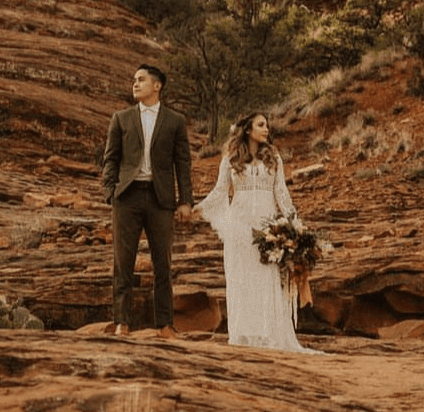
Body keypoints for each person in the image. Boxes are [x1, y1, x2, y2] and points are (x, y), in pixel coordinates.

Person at [196, 112, 320, 352]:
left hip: (267, 230)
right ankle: (244, 335)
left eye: (267, 125)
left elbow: (282, 194)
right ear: (247, 129)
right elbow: (220, 191)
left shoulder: (274, 157)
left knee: (267, 281)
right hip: (239, 229)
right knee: (241, 281)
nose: (266, 129)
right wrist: (197, 208)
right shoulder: (230, 159)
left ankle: (269, 336)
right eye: (261, 125)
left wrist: (296, 226)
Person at [101, 64, 194, 335]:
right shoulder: (121, 118)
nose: (135, 84)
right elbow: (110, 158)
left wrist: (185, 200)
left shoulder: (175, 121)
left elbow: (182, 163)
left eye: (141, 80)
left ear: (157, 85)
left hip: (160, 198)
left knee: (163, 263)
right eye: (134, 80)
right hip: (127, 197)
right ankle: (122, 322)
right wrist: (110, 191)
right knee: (123, 262)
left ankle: (165, 324)